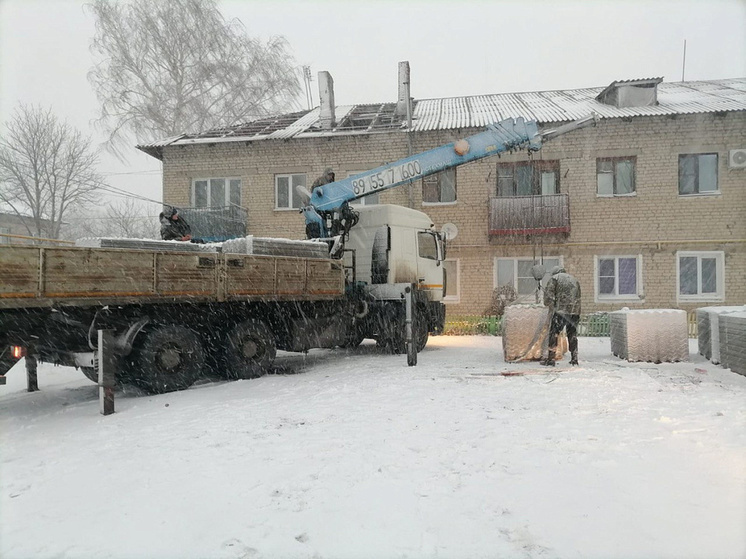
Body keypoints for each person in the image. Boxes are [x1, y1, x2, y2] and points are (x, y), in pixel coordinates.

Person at [542, 265, 581, 366]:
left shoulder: (555, 279)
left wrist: (549, 305)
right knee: (572, 334)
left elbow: (549, 297)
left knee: (554, 333)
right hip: (574, 312)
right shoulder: (574, 279)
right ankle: (574, 357)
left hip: (561, 311)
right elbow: (578, 296)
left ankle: (551, 359)